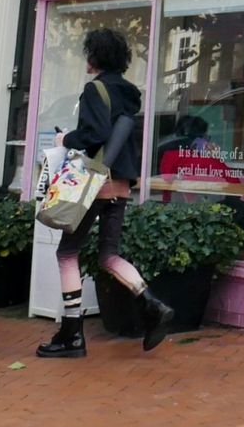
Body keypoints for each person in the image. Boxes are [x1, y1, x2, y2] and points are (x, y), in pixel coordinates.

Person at [36, 27, 173, 359]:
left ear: (94, 57)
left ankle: (71, 335)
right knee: (107, 254)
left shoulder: (94, 89)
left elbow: (94, 133)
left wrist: (64, 140)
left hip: (93, 184)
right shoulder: (128, 93)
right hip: (120, 183)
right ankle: (151, 303)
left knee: (67, 253)